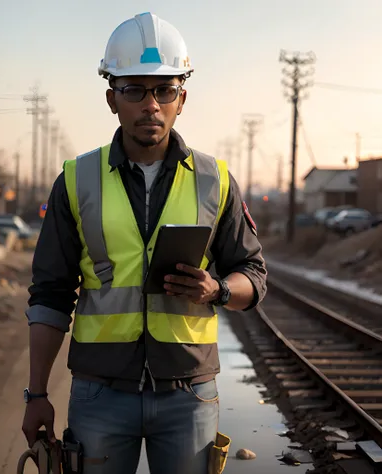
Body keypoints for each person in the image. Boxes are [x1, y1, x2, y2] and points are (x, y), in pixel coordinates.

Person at [22, 12, 267, 474]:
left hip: (189, 396)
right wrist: (36, 394)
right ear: (112, 98)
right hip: (99, 394)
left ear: (182, 98)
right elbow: (50, 295)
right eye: (134, 89)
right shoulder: (78, 181)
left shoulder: (215, 180)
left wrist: (217, 290)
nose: (150, 104)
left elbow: (253, 275)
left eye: (164, 90)